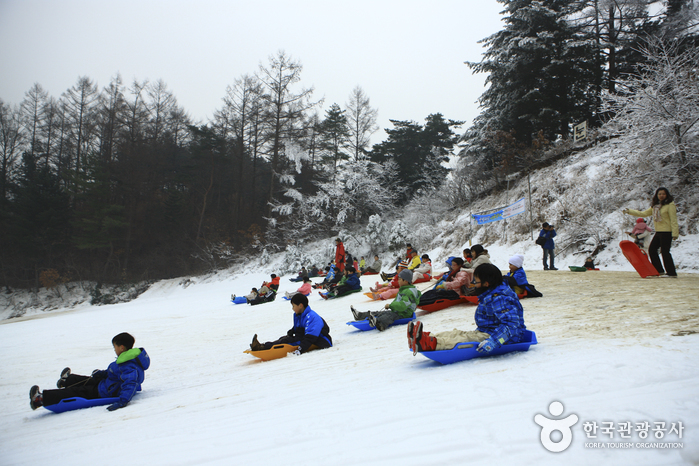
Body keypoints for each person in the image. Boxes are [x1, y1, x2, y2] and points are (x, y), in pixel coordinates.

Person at [409, 264, 527, 355]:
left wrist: (494, 341)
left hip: (504, 338)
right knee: (456, 333)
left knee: (465, 339)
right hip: (488, 331)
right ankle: (425, 338)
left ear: (486, 284)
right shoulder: (492, 293)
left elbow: (512, 324)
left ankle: (431, 343)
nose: (473, 284)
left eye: (476, 281)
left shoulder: (500, 298)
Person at [29, 333, 150, 411]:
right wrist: (102, 373)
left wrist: (123, 401)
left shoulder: (128, 364)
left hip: (106, 392)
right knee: (90, 379)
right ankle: (67, 380)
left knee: (76, 391)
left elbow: (131, 383)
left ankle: (40, 399)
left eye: (115, 347)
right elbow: (114, 373)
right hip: (107, 384)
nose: (114, 350)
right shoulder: (127, 359)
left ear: (122, 347)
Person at [623, 187, 679, 277]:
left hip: (667, 231)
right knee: (652, 250)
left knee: (665, 252)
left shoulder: (670, 205)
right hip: (658, 231)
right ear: (657, 195)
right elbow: (643, 214)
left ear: (667, 195)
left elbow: (673, 219)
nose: (661, 196)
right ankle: (659, 270)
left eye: (663, 194)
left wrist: (675, 233)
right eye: (659, 194)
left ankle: (671, 273)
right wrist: (629, 211)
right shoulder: (655, 206)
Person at [250, 294, 332, 354]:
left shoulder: (312, 317)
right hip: (305, 337)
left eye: (293, 306)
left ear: (300, 306)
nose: (292, 309)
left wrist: (301, 349)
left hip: (320, 340)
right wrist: (292, 331)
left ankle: (263, 348)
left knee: (287, 342)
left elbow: (311, 336)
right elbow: (300, 326)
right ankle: (262, 346)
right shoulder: (299, 315)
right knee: (284, 338)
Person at [350, 269, 422, 331]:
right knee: (382, 313)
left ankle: (380, 323)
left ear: (406, 281)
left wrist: (391, 306)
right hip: (400, 312)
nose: (398, 281)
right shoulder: (404, 290)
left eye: (400, 279)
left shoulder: (408, 292)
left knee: (389, 316)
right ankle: (360, 315)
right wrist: (391, 306)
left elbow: (403, 305)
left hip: (404, 314)